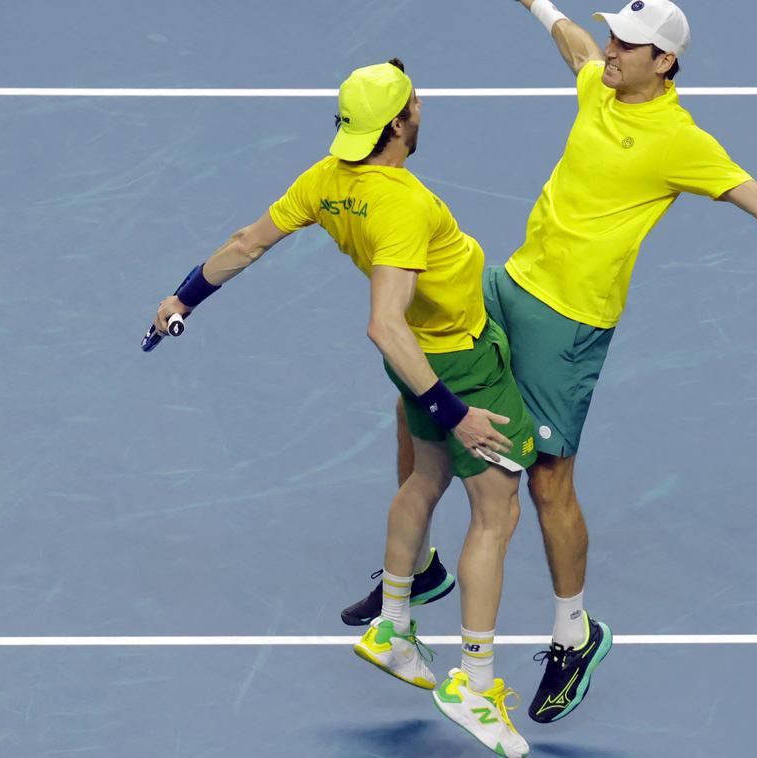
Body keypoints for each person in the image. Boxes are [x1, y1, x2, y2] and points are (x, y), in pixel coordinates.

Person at [342, 0, 757, 726]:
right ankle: (428, 567)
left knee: (545, 480)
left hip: (570, 324)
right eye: (613, 37)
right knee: (419, 391)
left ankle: (574, 633)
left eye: (629, 45)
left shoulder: (678, 140)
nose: (611, 51)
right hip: (508, 284)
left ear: (665, 61)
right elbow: (572, 46)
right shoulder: (598, 79)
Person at [151, 59, 535, 758]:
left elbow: (246, 244)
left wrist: (183, 298)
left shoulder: (325, 181)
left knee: (422, 480)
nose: (420, 104)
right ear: (398, 124)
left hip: (414, 361)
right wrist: (457, 412)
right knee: (497, 512)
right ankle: (475, 683)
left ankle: (392, 628)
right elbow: (384, 322)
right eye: (413, 102)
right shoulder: (403, 205)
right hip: (456, 363)